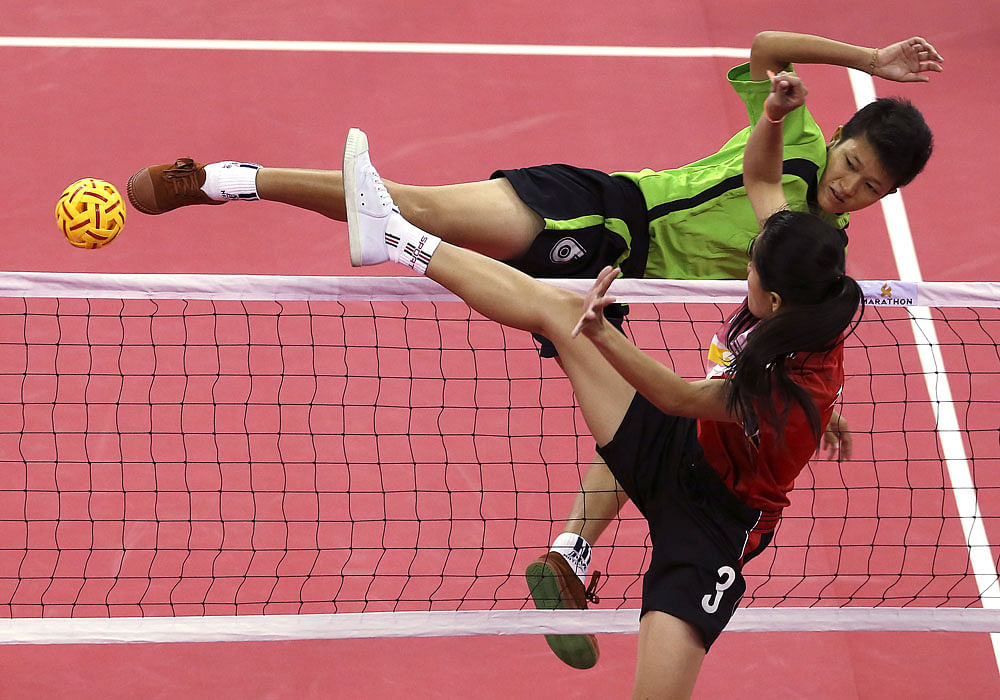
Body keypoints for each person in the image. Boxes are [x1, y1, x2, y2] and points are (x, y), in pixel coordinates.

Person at [125, 30, 940, 668]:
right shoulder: (794, 157)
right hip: (606, 220)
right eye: (853, 165)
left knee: (656, 427)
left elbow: (797, 334)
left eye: (874, 187)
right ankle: (226, 180)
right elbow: (766, 55)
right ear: (838, 138)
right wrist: (867, 59)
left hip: (616, 273)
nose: (851, 188)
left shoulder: (814, 247)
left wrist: (812, 409)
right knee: (409, 206)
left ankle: (570, 551)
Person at [335, 67, 862, 698]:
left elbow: (679, 396)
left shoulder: (782, 385)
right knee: (557, 312)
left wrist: (605, 331)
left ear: (775, 301)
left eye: (750, 268)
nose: (743, 264)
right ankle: (396, 237)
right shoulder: (804, 281)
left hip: (716, 524)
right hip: (682, 446)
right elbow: (762, 179)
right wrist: (773, 118)